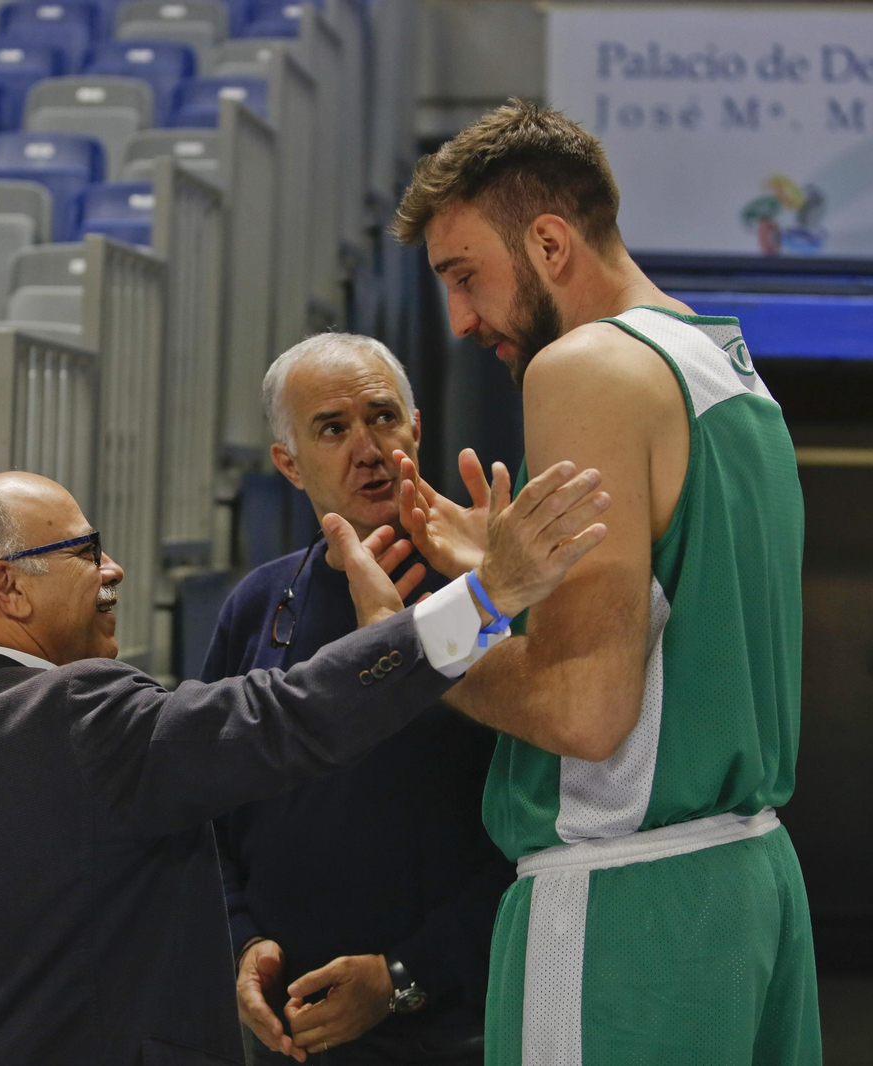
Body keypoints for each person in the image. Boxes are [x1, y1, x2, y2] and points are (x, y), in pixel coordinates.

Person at [0, 465, 610, 1065]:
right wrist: (483, 598)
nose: (113, 569)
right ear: (7, 589)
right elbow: (291, 713)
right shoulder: (75, 714)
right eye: (86, 551)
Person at [389, 99, 821, 1065]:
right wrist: (510, 571)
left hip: (627, 915)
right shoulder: (730, 371)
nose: (461, 321)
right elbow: (676, 619)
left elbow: (586, 713)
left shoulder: (585, 366)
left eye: (467, 278)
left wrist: (421, 635)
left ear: (548, 242)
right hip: (751, 890)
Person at [204, 333, 512, 1065]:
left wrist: (404, 977)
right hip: (289, 1032)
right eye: (333, 429)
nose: (366, 447)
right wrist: (240, 942)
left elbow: (544, 824)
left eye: (382, 417)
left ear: (416, 427)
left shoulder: (491, 595)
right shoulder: (258, 603)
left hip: (451, 1026)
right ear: (288, 462)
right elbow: (209, 812)